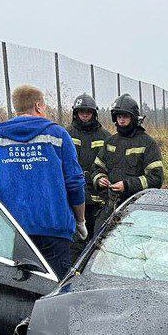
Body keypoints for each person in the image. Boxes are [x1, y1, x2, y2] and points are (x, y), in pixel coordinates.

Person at [0, 84, 85, 277]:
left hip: (14, 231)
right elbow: (75, 182)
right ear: (38, 106)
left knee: (21, 289)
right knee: (56, 292)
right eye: (44, 106)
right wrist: (80, 221)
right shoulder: (58, 134)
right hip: (55, 228)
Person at [91, 94, 164, 230]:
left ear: (134, 118)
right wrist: (100, 179)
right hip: (109, 207)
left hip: (136, 210)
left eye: (125, 116)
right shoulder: (110, 142)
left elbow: (156, 178)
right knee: (98, 245)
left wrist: (127, 185)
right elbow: (96, 168)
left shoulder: (147, 143)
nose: (122, 120)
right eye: (119, 117)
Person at [68, 93, 109, 253]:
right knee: (75, 242)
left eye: (88, 111)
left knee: (98, 240)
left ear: (94, 113)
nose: (85, 114)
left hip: (98, 197)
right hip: (74, 196)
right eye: (81, 111)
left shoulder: (105, 136)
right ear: (76, 113)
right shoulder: (67, 133)